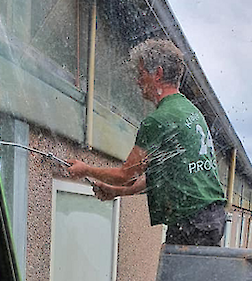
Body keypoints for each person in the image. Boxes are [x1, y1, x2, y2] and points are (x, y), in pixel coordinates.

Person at [65, 38, 227, 246]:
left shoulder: (159, 120)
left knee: (174, 278)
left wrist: (85, 169)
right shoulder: (189, 110)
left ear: (157, 74)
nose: (138, 81)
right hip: (210, 220)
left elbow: (126, 174)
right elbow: (160, 176)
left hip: (192, 224)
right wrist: (117, 192)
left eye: (141, 74)